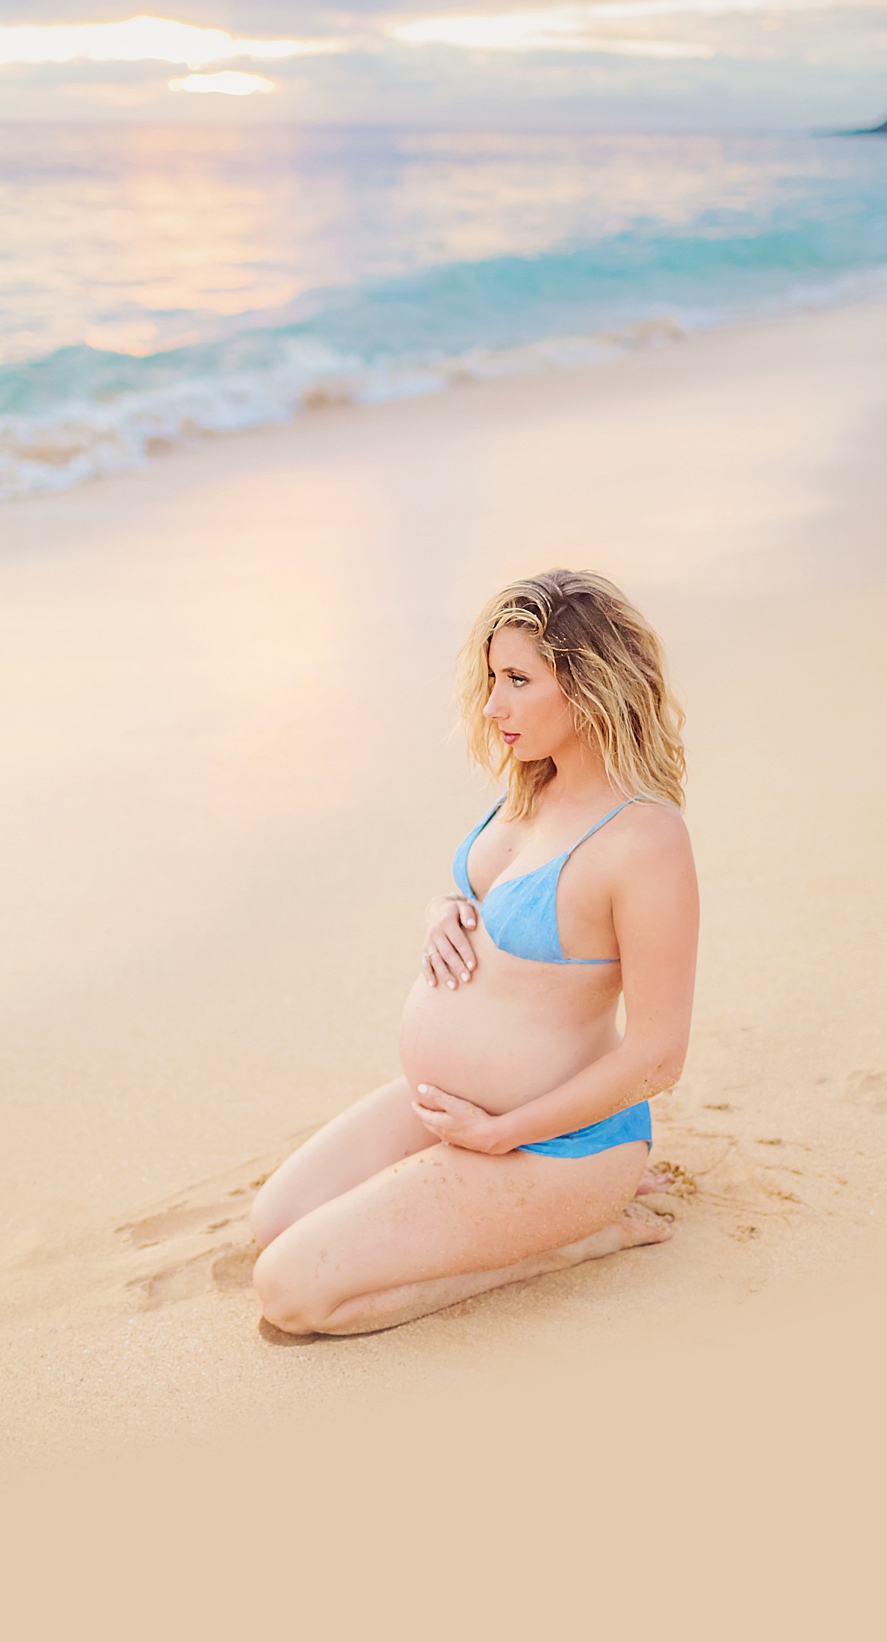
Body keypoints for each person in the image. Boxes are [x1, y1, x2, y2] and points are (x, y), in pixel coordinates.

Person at [252, 568, 699, 1336]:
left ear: (589, 687)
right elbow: (500, 899)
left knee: (291, 1291)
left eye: (518, 680)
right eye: (493, 678)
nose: (493, 707)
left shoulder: (644, 839)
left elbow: (659, 1055)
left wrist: (502, 1134)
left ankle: (564, 1245)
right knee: (276, 1219)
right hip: (455, 1112)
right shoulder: (533, 786)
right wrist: (445, 909)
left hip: (552, 1146)